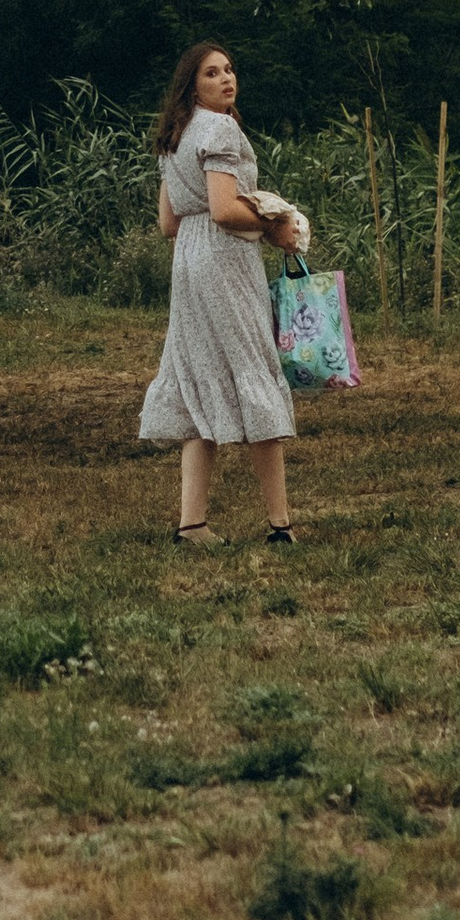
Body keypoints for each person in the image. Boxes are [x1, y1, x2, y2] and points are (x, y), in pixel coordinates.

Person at [139, 40, 299, 545]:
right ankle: (279, 525)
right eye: (212, 73)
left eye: (230, 70)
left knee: (200, 374)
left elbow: (168, 223)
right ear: (193, 85)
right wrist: (276, 225)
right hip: (225, 261)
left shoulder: (177, 135)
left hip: (188, 260)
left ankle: (193, 524)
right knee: (252, 369)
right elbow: (226, 209)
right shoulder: (220, 128)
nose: (226, 79)